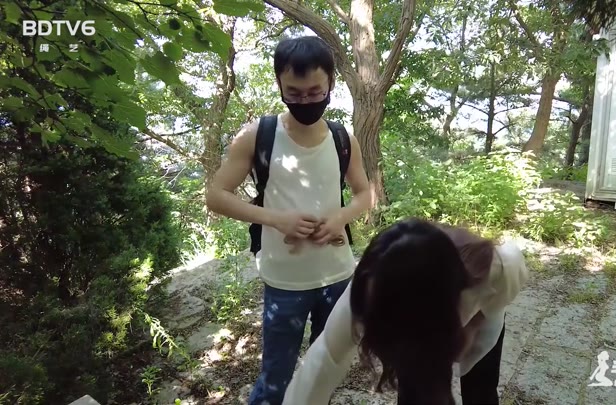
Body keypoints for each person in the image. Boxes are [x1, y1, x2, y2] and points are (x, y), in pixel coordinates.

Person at [206, 35, 372, 405]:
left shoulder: (343, 138)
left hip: (338, 276)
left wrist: (340, 217)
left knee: (325, 369)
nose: (306, 101)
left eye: (315, 92)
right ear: (280, 84)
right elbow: (215, 195)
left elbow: (365, 194)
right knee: (276, 377)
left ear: (330, 83)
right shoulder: (258, 135)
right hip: (285, 282)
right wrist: (277, 219)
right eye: (294, 93)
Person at [282, 218, 530, 405]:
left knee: (481, 392)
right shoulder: (359, 306)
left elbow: (497, 301)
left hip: (471, 318)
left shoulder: (499, 268)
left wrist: (472, 327)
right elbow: (316, 371)